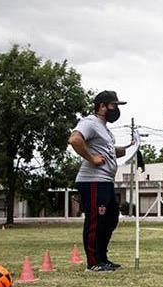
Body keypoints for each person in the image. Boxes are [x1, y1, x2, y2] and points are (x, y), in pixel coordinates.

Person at [68, 90, 132, 272]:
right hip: (93, 180)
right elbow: (74, 139)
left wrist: (129, 148)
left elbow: (109, 151)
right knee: (96, 220)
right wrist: (91, 158)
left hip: (106, 181)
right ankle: (93, 262)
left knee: (110, 219)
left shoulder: (105, 129)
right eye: (114, 106)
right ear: (102, 106)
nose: (116, 110)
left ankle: (102, 258)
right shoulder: (90, 122)